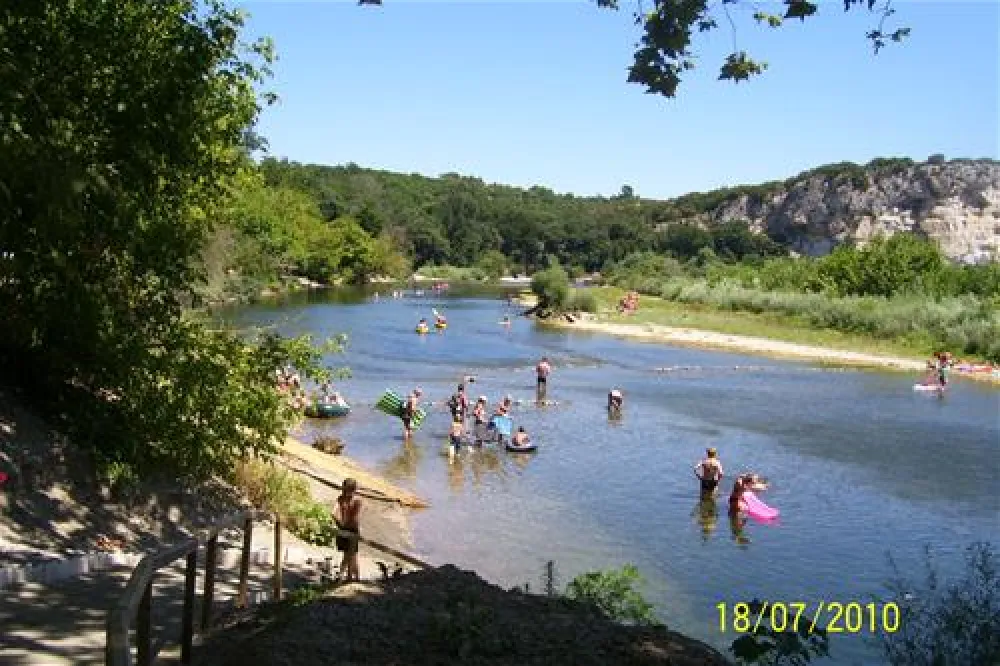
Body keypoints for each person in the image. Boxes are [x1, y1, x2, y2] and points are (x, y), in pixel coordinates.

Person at [333, 478, 362, 582]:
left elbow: (334, 513)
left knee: (351, 554)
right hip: (347, 529)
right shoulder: (351, 500)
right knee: (350, 554)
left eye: (345, 490)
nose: (344, 492)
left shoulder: (348, 500)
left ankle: (351, 577)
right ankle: (350, 577)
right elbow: (355, 519)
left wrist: (340, 524)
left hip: (347, 529)